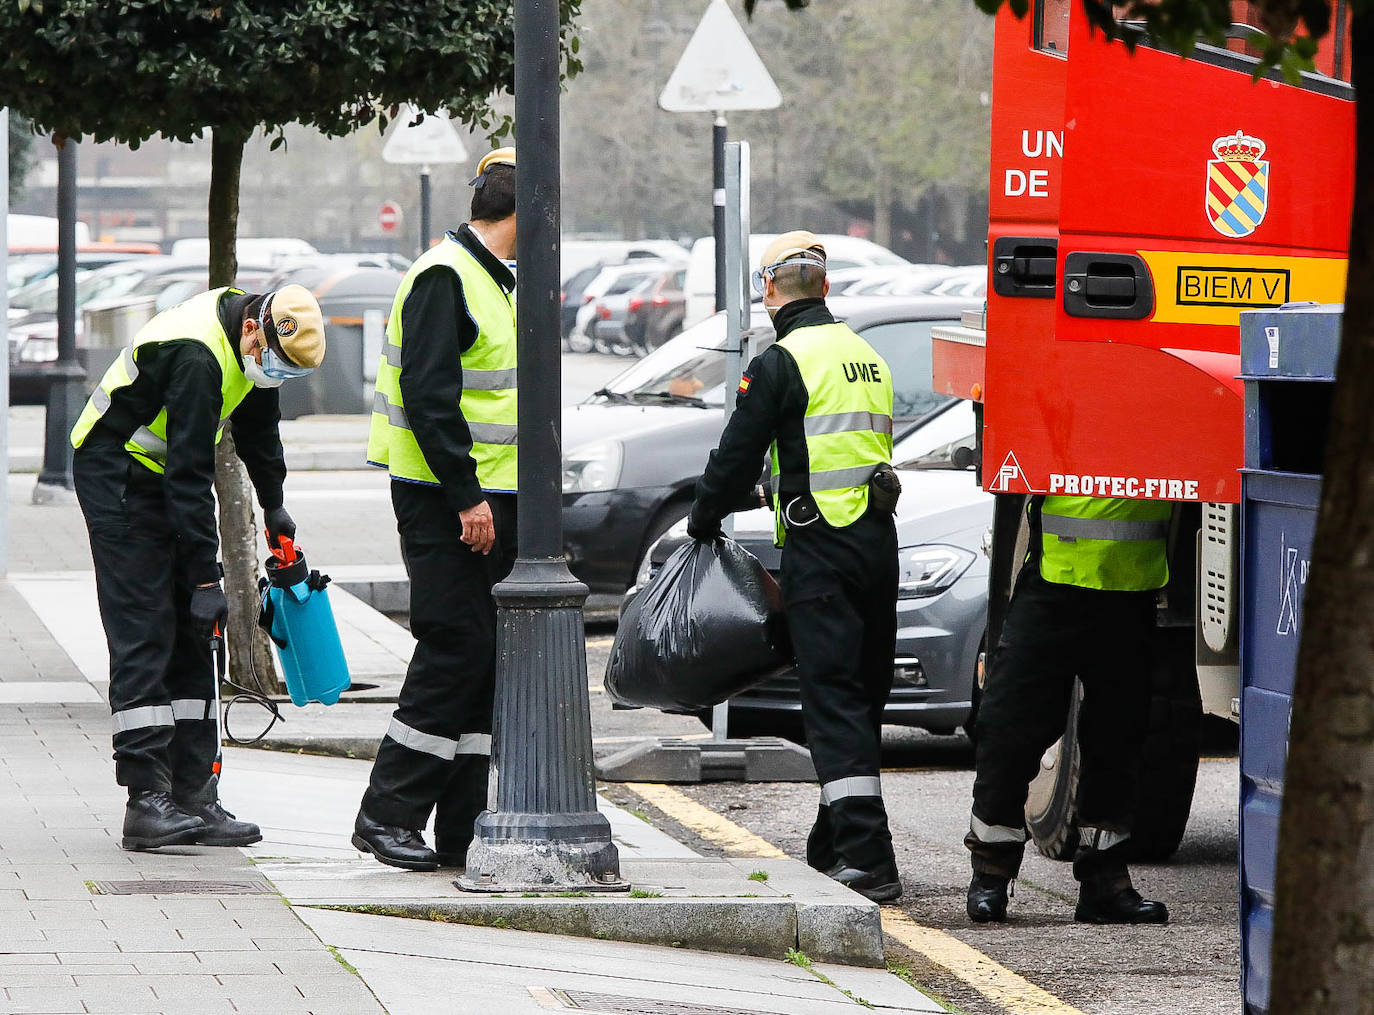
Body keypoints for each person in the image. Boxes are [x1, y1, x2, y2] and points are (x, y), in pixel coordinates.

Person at [70, 282, 326, 851]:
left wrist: (275, 505)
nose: (273, 377)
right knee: (146, 628)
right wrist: (208, 579)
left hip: (163, 474)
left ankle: (194, 797)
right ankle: (146, 802)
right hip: (117, 472)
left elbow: (260, 431)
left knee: (196, 634)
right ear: (254, 330)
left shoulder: (256, 345)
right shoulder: (197, 355)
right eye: (276, 366)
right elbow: (190, 477)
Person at [687, 231, 903, 902]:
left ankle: (871, 857)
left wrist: (701, 522)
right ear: (827, 288)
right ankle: (834, 838)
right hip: (878, 542)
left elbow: (735, 455)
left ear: (769, 290)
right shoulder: (866, 356)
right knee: (862, 695)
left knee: (832, 695)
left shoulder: (782, 361)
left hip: (822, 550)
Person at [354, 147, 519, 871]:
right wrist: (466, 495)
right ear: (526, 213)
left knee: (484, 659)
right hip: (447, 500)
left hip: (485, 498)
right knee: (455, 648)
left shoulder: (493, 280)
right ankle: (386, 815)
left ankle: (462, 824)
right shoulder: (444, 277)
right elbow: (429, 398)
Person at [965, 494, 1172, 924]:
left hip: (1130, 588)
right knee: (1008, 727)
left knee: (1120, 738)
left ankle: (1104, 881)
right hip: (1053, 579)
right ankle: (992, 872)